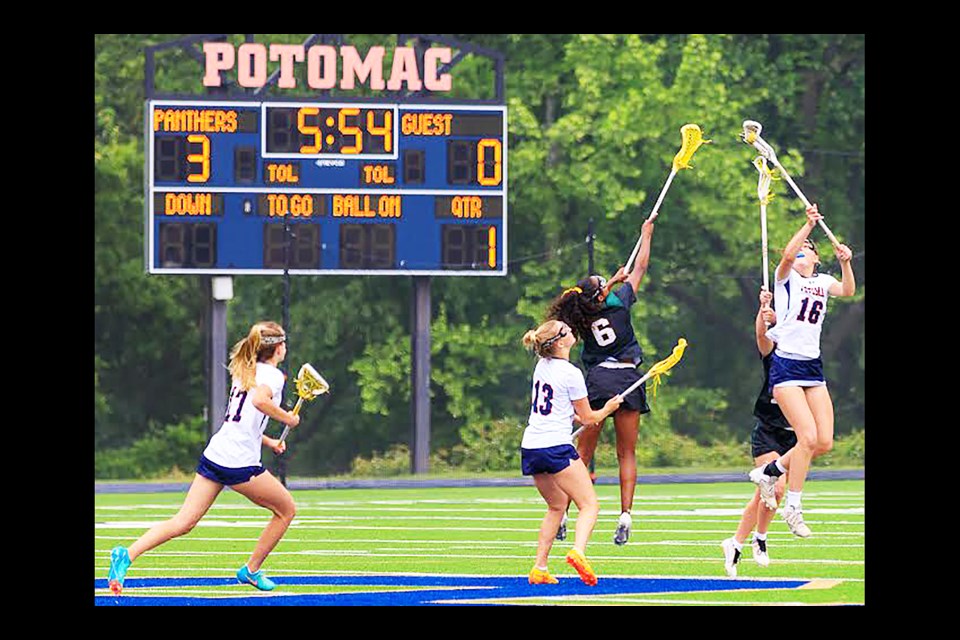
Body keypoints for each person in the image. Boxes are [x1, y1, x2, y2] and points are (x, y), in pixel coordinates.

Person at [106, 321, 302, 595]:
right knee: (286, 510)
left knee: (183, 522)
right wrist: (288, 419)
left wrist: (268, 441)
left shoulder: (245, 368)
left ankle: (126, 554)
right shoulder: (273, 376)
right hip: (238, 463)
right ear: (278, 348)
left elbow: (243, 419)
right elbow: (258, 401)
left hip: (217, 453)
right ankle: (252, 570)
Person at [546, 218, 655, 546]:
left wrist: (610, 282)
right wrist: (645, 235)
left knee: (581, 452)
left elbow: (595, 296)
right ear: (602, 293)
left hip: (597, 381)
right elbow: (642, 266)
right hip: (627, 378)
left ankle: (563, 511)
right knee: (627, 452)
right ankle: (625, 515)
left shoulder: (581, 315)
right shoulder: (619, 303)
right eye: (603, 282)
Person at [748, 205, 855, 537]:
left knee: (824, 442)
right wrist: (808, 226)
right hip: (786, 364)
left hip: (813, 365)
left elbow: (849, 290)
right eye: (800, 251)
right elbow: (785, 256)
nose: (800, 255)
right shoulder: (787, 281)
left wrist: (846, 262)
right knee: (806, 437)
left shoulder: (823, 281)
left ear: (817, 260)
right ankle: (793, 506)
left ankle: (772, 471)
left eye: (808, 252)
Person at [522, 319, 623, 586]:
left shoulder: (541, 367)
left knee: (556, 506)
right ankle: (578, 551)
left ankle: (539, 568)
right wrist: (610, 408)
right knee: (589, 504)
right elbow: (590, 418)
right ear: (560, 341)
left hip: (532, 446)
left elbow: (560, 407)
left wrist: (575, 417)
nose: (572, 331)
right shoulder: (571, 373)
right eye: (567, 329)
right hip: (556, 446)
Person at [721, 288, 795, 577]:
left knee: (766, 493)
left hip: (795, 433)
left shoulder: (806, 351)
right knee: (774, 487)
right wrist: (764, 310)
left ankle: (737, 542)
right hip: (769, 428)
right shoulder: (775, 351)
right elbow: (763, 338)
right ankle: (759, 540)